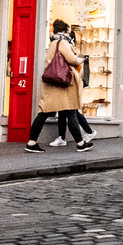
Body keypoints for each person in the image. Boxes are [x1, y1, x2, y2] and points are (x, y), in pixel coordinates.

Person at [26, 20, 92, 153]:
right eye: (68, 28)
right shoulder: (62, 43)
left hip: (52, 82)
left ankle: (31, 142)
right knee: (71, 111)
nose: (69, 31)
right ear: (65, 30)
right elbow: (72, 59)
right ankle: (80, 144)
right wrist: (82, 59)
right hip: (63, 83)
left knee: (44, 113)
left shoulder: (52, 43)